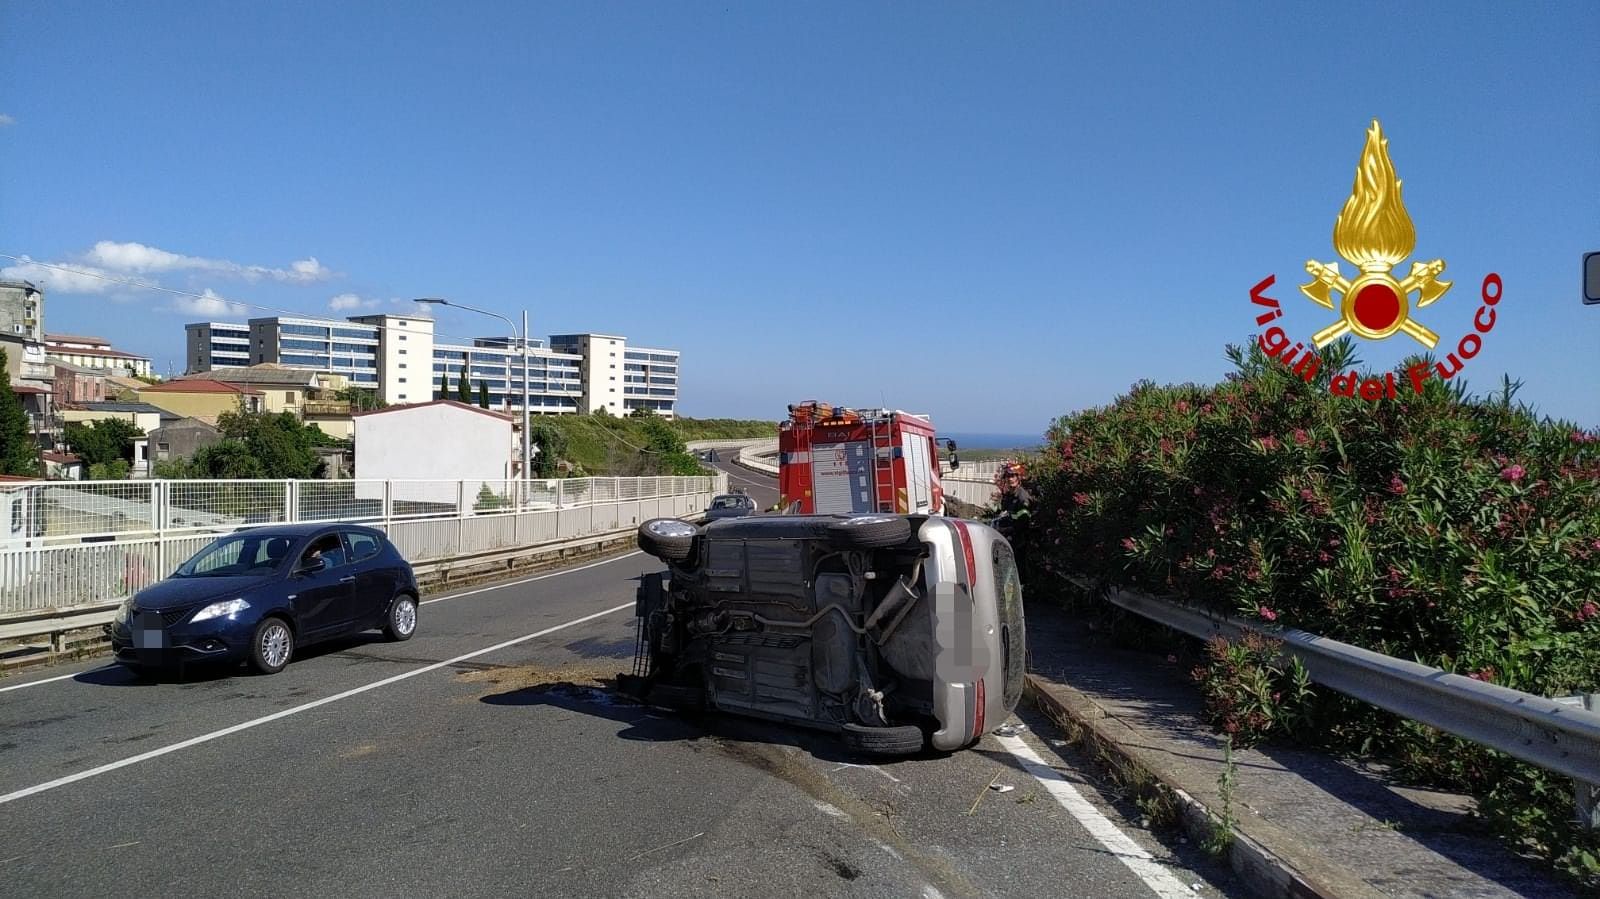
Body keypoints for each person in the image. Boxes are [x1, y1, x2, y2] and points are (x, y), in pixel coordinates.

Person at [993, 462, 1033, 577]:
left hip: (1018, 542)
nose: (1010, 479)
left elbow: (1023, 524)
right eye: (1008, 476)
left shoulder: (1022, 498)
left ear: (1018, 477)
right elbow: (1000, 513)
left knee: (1016, 573)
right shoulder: (1008, 496)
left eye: (1013, 476)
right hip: (1006, 539)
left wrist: (1006, 530)